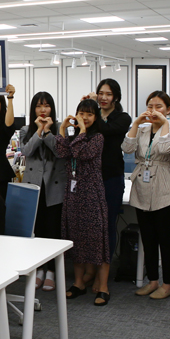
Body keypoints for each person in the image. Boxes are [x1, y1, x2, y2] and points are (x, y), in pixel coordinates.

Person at [122, 91, 170, 300]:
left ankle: (168, 283)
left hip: (164, 185)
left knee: (165, 238)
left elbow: (165, 150)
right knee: (148, 237)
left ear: (168, 109)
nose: (154, 110)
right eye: (150, 106)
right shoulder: (143, 129)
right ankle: (153, 280)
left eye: (159, 106)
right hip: (143, 187)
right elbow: (126, 148)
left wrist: (163, 124)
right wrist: (136, 124)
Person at [56, 99, 110, 306]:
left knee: (98, 240)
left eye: (89, 114)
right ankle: (78, 283)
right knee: (75, 238)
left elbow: (83, 153)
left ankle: (103, 286)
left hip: (92, 193)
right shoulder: (72, 136)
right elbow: (62, 152)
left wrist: (79, 133)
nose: (84, 118)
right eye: (81, 113)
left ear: (95, 117)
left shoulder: (97, 138)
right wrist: (62, 129)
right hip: (73, 194)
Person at [82, 79, 131, 289]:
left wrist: (92, 108)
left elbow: (105, 131)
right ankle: (90, 269)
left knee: (108, 225)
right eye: (100, 93)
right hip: (90, 177)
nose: (103, 97)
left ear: (116, 97)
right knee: (90, 225)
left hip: (111, 176)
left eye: (108, 94)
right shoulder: (92, 114)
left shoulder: (122, 118)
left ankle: (103, 273)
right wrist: (85, 110)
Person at [18, 92, 66, 291]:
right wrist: (38, 132)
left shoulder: (60, 128)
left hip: (54, 185)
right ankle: (39, 269)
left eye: (46, 106)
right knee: (36, 231)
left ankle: (52, 272)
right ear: (34, 110)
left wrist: (47, 132)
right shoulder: (26, 129)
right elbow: (26, 151)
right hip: (33, 186)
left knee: (52, 230)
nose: (43, 110)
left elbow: (59, 151)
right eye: (39, 106)